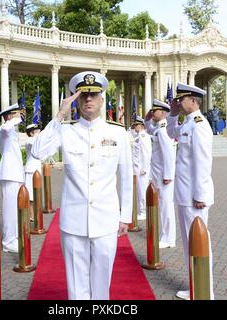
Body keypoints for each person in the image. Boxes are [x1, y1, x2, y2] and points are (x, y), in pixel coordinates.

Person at [31, 71, 133, 300]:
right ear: (76, 99)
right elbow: (37, 152)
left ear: (101, 98)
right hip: (74, 220)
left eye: (93, 95)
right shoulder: (66, 130)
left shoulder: (117, 132)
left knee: (102, 284)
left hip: (106, 219)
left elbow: (126, 176)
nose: (88, 100)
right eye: (83, 95)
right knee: (76, 287)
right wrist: (59, 115)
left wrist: (125, 215)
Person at [166, 82, 215, 300]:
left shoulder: (200, 125)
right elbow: (170, 132)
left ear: (193, 101)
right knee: (189, 245)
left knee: (199, 243)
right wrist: (172, 114)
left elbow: (203, 162)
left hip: (194, 197)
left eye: (181, 99)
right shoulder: (188, 123)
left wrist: (200, 195)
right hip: (185, 195)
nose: (178, 102)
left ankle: (205, 290)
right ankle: (196, 285)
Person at [145, 99, 177, 248]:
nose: (152, 112)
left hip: (164, 176)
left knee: (166, 206)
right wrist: (146, 121)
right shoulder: (160, 127)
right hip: (158, 173)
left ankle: (168, 238)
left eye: (155, 110)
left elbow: (169, 154)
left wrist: (168, 176)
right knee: (163, 205)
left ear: (163, 113)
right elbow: (150, 131)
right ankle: (166, 235)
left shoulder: (164, 130)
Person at [0, 103, 25, 253]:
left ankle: (12, 237)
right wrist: (15, 119)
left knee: (14, 209)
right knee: (9, 210)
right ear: (9, 116)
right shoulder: (4, 129)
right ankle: (8, 241)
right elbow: (6, 127)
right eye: (16, 114)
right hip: (9, 174)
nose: (19, 116)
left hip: (14, 173)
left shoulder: (11, 132)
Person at [131, 115, 152, 221]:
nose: (134, 126)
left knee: (142, 190)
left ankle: (143, 211)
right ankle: (139, 209)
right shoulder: (137, 136)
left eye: (136, 125)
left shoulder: (144, 137)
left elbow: (146, 153)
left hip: (142, 170)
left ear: (142, 126)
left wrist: (144, 168)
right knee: (138, 191)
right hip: (136, 168)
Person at [25, 123, 42, 219]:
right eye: (36, 131)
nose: (39, 133)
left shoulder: (36, 140)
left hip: (36, 171)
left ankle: (35, 214)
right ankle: (30, 215)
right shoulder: (30, 140)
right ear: (31, 133)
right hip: (30, 171)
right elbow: (33, 143)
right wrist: (36, 135)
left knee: (36, 195)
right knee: (30, 195)